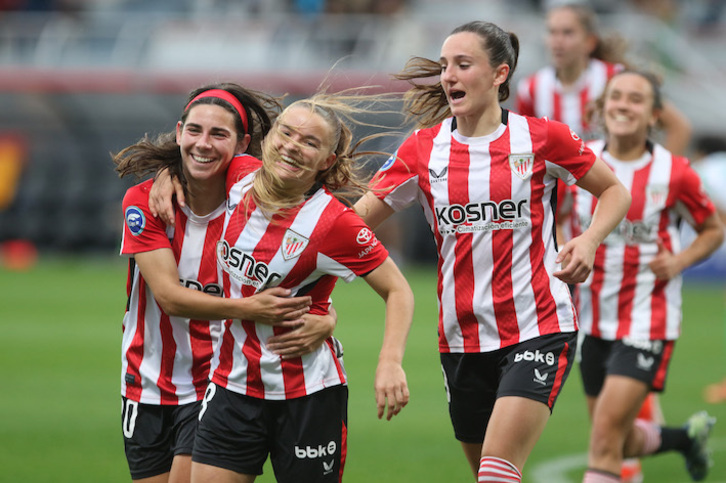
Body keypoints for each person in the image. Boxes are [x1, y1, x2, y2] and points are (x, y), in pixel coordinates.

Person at [353, 20, 631, 482]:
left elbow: (615, 192)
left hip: (538, 326)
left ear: (500, 74)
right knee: (490, 473)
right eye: (444, 67)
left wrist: (588, 238)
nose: (449, 77)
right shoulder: (423, 149)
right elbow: (354, 224)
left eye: (463, 65)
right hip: (460, 339)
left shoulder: (542, 138)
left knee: (496, 473)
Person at [155, 92, 415, 482]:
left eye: (310, 142)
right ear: (269, 138)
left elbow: (398, 290)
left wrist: (390, 361)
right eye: (286, 134)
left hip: (308, 394)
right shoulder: (239, 175)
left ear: (327, 161)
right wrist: (165, 176)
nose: (293, 147)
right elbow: (196, 151)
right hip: (232, 385)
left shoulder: (334, 224)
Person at [113, 83, 336, 483]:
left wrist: (327, 317)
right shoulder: (145, 201)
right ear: (179, 132)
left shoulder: (252, 211)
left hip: (215, 381)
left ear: (243, 145)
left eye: (219, 134)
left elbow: (302, 278)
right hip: (145, 381)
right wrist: (249, 309)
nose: (204, 144)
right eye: (195, 131)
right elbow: (168, 297)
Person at [561, 70, 724, 483]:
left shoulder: (675, 172)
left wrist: (680, 261)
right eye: (616, 97)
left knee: (602, 440)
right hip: (591, 318)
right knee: (617, 436)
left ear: (654, 115)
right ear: (602, 107)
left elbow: (714, 228)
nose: (623, 106)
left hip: (646, 318)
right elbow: (561, 221)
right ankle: (684, 438)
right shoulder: (579, 163)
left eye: (636, 99)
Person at [515, 2, 692, 155]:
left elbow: (679, 127)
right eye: (552, 32)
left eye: (568, 33)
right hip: (561, 193)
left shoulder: (618, 77)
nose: (558, 41)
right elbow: (524, 147)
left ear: (590, 41)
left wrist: (664, 178)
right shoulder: (531, 88)